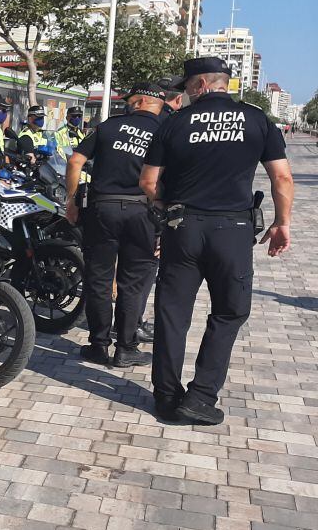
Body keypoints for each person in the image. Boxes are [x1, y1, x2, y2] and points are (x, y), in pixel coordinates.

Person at [140, 56, 294, 425]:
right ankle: (200, 396)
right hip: (233, 232)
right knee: (229, 312)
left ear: (201, 85)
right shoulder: (258, 119)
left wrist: (164, 205)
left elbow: (147, 182)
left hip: (183, 228)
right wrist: (281, 223)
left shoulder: (174, 123)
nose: (185, 94)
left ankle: (166, 397)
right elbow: (283, 179)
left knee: (172, 313)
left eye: (187, 87)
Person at [65, 82, 165, 367]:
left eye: (130, 100)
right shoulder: (165, 131)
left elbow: (75, 162)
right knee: (132, 283)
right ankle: (126, 348)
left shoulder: (108, 127)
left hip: (102, 208)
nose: (127, 104)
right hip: (142, 212)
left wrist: (72, 200)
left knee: (98, 280)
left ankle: (98, 345)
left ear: (140, 101)